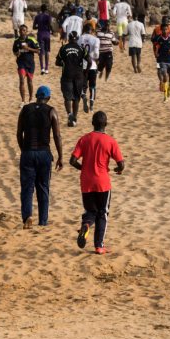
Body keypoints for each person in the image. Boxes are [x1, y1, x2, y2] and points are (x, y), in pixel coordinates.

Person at [70, 111, 124, 255]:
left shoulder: (84, 139)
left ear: (92, 123)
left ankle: (86, 225)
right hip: (102, 182)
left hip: (86, 181)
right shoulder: (110, 141)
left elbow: (72, 161)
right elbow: (121, 163)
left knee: (90, 211)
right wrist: (118, 169)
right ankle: (99, 246)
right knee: (102, 213)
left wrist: (83, 168)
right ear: (105, 124)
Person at [17, 86, 63, 229]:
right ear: (48, 98)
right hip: (44, 153)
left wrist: (24, 149)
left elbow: (19, 133)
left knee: (27, 188)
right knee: (43, 187)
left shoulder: (25, 110)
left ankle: (27, 216)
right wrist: (60, 156)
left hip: (28, 152)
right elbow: (57, 135)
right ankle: (43, 221)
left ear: (36, 96)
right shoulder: (51, 111)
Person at [55, 30, 88, 127]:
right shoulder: (81, 49)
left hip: (67, 75)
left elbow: (57, 62)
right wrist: (85, 71)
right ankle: (75, 118)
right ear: (77, 39)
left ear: (68, 38)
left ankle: (69, 114)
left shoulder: (63, 48)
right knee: (76, 98)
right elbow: (89, 61)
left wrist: (64, 63)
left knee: (67, 97)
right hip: (78, 75)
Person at [152, 16, 170, 101]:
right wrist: (155, 53)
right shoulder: (157, 32)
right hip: (161, 60)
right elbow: (153, 42)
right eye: (164, 29)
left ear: (168, 28)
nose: (165, 31)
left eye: (166, 29)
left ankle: (168, 90)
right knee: (162, 73)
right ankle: (164, 90)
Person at [13, 24, 40, 105]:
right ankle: (23, 101)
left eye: (24, 30)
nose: (22, 32)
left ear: (26, 31)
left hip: (30, 64)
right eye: (20, 30)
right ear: (19, 31)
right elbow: (14, 52)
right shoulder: (16, 41)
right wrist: (17, 53)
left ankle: (31, 99)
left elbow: (38, 51)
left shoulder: (31, 40)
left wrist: (28, 48)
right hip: (21, 64)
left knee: (30, 81)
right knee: (21, 80)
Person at [78, 23, 101, 112]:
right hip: (92, 65)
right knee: (93, 86)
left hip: (82, 65)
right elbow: (96, 54)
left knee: (83, 85)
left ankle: (83, 96)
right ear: (91, 30)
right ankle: (91, 105)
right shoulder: (95, 39)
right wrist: (93, 58)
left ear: (84, 30)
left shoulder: (80, 39)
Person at [32, 3, 55, 74]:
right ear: (46, 9)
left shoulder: (37, 17)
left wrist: (39, 26)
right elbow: (50, 25)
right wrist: (53, 30)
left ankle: (42, 68)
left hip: (40, 35)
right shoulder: (48, 16)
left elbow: (34, 27)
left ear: (41, 9)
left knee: (41, 52)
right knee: (47, 51)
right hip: (47, 35)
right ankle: (47, 68)